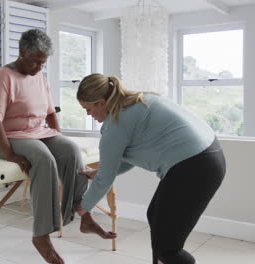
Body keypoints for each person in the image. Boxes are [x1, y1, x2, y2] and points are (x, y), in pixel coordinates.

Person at [0, 30, 114, 264]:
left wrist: (60, 142)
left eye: (43, 63)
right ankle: (41, 235)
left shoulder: (39, 77)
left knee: (72, 151)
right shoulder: (5, 76)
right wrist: (10, 154)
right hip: (4, 137)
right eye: (36, 61)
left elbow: (51, 114)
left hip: (37, 134)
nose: (38, 67)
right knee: (43, 159)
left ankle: (81, 211)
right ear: (22, 52)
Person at [75, 73, 226, 264]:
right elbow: (126, 159)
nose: (88, 114)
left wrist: (83, 207)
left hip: (193, 166)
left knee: (169, 248)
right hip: (209, 157)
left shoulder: (116, 124)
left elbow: (106, 178)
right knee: (155, 216)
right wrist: (99, 172)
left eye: (88, 109)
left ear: (101, 102)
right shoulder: (138, 101)